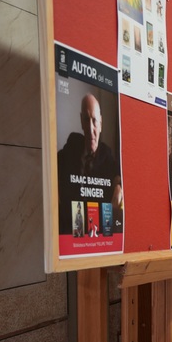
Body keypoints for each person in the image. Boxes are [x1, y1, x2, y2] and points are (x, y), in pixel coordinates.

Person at [57, 93, 123, 235]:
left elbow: (125, 174)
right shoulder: (71, 147)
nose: (90, 128)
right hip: (71, 230)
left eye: (95, 121)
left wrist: (119, 186)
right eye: (86, 120)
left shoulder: (108, 157)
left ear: (101, 124)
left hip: (97, 232)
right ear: (81, 121)